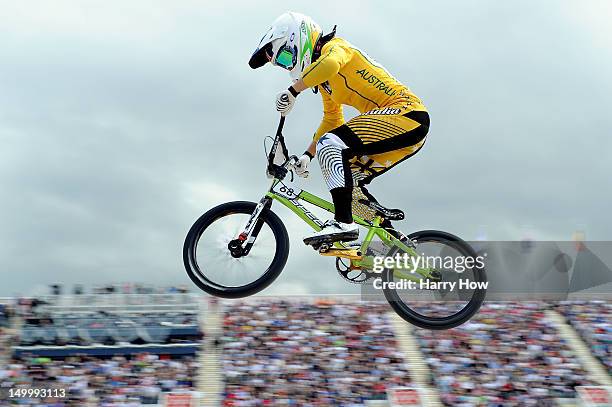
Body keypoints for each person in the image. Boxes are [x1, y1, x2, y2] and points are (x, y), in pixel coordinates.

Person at [249, 12, 429, 244]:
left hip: (406, 113)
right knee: (348, 184)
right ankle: (394, 242)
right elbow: (333, 119)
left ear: (298, 38)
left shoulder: (336, 47)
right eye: (281, 64)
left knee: (331, 145)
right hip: (401, 129)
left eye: (284, 57)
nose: (286, 67)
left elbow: (330, 65)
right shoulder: (325, 84)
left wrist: (294, 90)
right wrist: (308, 154)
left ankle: (343, 224)